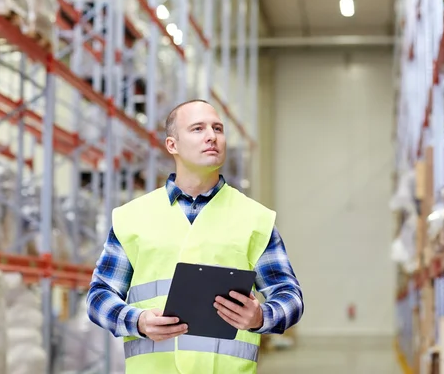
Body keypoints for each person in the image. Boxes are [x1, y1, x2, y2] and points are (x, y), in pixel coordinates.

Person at [86, 99, 304, 373]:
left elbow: (289, 296)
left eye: (218, 128)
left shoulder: (255, 219)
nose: (212, 136)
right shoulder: (132, 218)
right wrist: (137, 320)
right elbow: (98, 297)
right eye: (198, 129)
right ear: (172, 145)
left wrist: (261, 316)